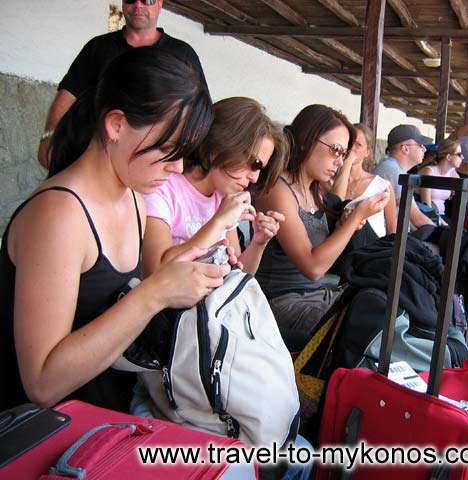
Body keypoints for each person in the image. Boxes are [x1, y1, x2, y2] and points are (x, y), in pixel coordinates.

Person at [0, 48, 222, 411]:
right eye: (168, 149)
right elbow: (41, 383)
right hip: (51, 436)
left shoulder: (132, 194)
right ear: (116, 125)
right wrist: (155, 293)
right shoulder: (59, 215)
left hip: (113, 413)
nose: (179, 168)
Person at [255, 105, 389, 336]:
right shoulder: (277, 190)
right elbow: (313, 267)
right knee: (363, 325)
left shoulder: (317, 191)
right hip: (280, 301)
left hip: (317, 295)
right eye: (335, 150)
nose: (339, 161)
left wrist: (344, 223)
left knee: (383, 307)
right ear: (306, 140)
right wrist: (353, 219)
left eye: (344, 154)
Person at [37, 0, 207, 169]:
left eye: (147, 0)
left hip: (155, 163)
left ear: (160, 4)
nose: (138, 5)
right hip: (99, 157)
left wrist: (183, 158)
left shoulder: (183, 54)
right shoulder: (99, 47)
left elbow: (199, 110)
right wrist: (50, 136)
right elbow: (69, 92)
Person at [142, 97, 287, 276]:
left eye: (260, 169)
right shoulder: (164, 187)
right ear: (221, 145)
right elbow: (155, 270)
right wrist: (218, 222)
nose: (255, 177)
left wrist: (258, 243)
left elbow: (239, 275)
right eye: (254, 163)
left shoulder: (223, 198)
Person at [331, 122, 397, 236]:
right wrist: (346, 165)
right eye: (349, 143)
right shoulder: (328, 180)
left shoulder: (382, 185)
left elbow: (392, 229)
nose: (351, 148)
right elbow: (336, 203)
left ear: (368, 152)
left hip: (370, 248)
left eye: (358, 145)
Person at [374, 125, 434, 228]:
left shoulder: (392, 166)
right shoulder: (392, 170)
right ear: (405, 148)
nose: (424, 149)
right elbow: (417, 219)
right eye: (420, 145)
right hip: (387, 240)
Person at [416, 138, 462, 224]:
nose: (462, 157)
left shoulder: (452, 173)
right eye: (459, 154)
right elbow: (426, 206)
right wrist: (441, 224)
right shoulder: (429, 171)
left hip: (442, 216)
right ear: (448, 157)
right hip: (428, 217)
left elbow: (464, 201)